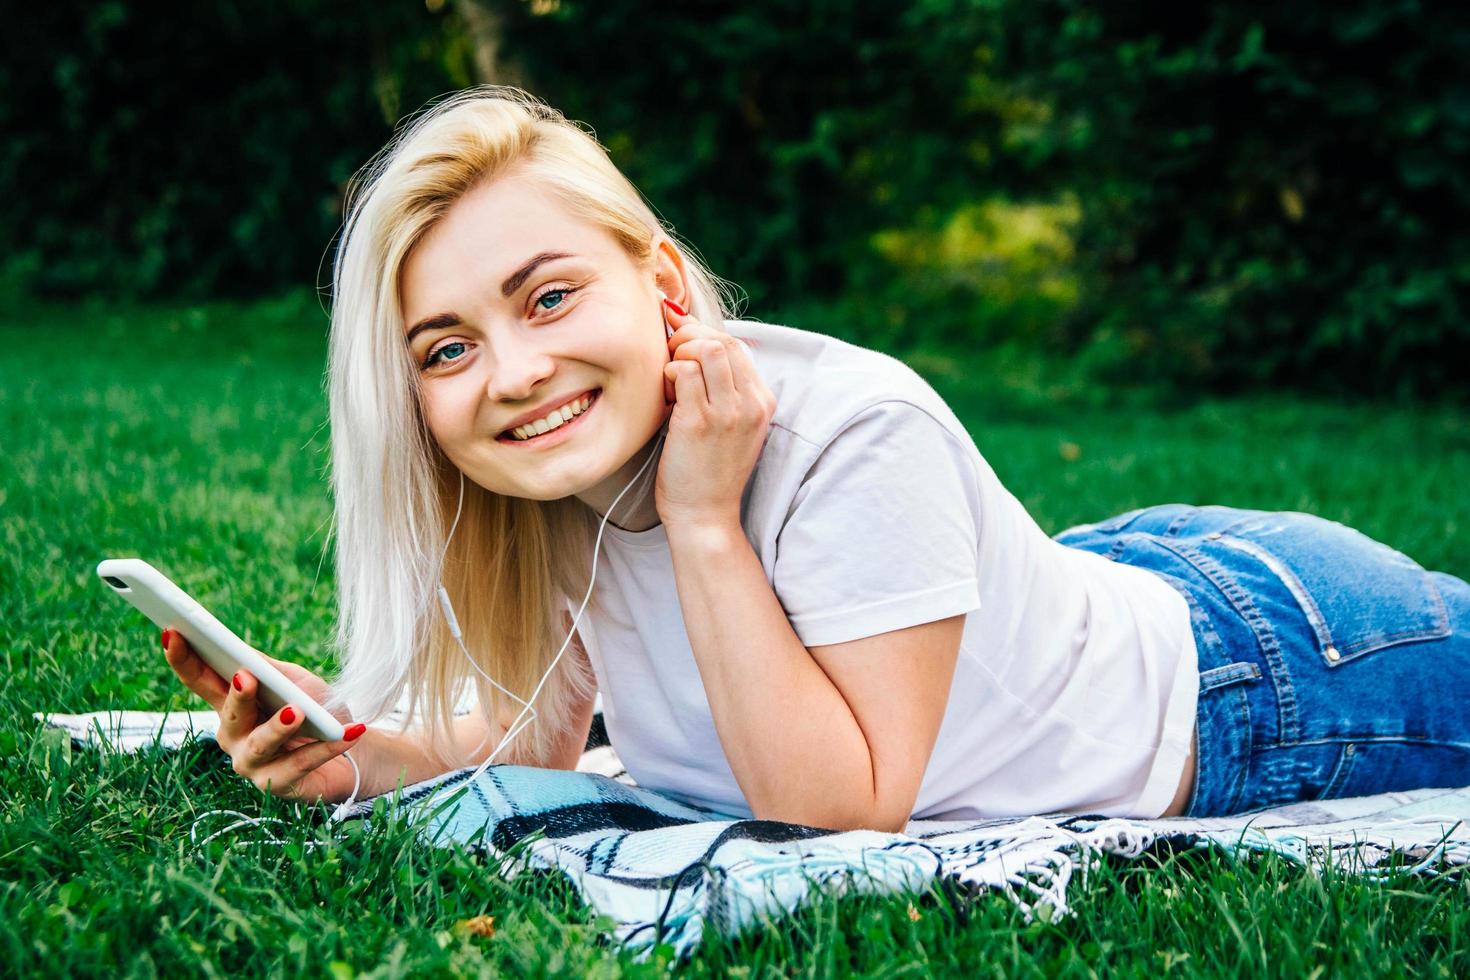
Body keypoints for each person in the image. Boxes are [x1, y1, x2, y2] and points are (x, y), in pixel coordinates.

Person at [162, 87, 1470, 831]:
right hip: (1055, 591)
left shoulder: (851, 429)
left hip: (1276, 675)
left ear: (658, 281)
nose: (511, 372)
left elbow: (833, 820)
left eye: (547, 297)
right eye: (445, 349)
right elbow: (542, 744)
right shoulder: (542, 484)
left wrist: (706, 525)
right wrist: (357, 752)